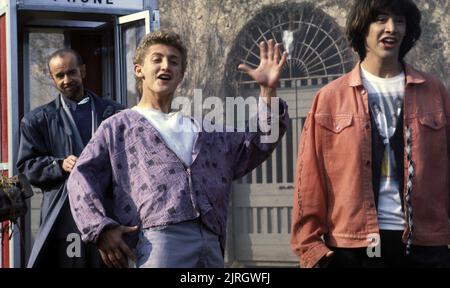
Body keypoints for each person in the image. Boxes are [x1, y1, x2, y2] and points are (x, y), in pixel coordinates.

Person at [67, 30, 289, 268]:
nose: (166, 66)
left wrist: (267, 92)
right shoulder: (118, 127)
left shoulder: (202, 129)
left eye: (174, 62)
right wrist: (100, 229)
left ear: (181, 74)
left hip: (211, 240)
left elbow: (258, 142)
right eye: (157, 59)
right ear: (138, 70)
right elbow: (80, 176)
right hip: (157, 242)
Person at [291, 0, 450, 268]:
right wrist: (313, 250)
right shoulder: (330, 98)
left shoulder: (434, 91)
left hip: (426, 247)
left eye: (399, 21)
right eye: (381, 19)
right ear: (362, 29)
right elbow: (309, 178)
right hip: (352, 247)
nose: (391, 28)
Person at [16, 48, 124, 267]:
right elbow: (27, 167)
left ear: (83, 71)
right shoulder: (36, 120)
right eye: (60, 75)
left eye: (72, 72)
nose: (67, 80)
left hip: (108, 215)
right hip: (65, 218)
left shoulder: (115, 113)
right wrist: (58, 165)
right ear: (52, 79)